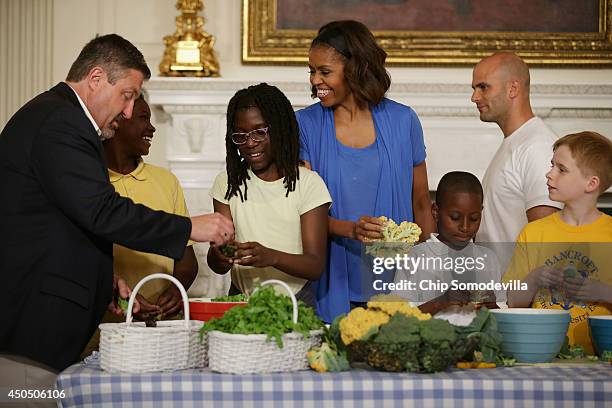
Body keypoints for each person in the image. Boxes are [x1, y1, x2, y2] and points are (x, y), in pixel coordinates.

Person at [0, 34, 233, 387]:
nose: (128, 111)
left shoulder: (57, 117)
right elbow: (102, 210)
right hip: (30, 331)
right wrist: (190, 227)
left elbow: (55, 218)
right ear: (95, 79)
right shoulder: (62, 122)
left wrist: (96, 277)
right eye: (127, 95)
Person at [297, 20, 435, 322]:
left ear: (355, 68)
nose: (314, 81)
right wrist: (350, 229)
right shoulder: (304, 125)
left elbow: (421, 201)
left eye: (324, 71)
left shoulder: (403, 120)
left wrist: (428, 269)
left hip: (399, 284)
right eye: (311, 71)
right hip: (331, 282)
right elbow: (301, 211)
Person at [207, 83, 332, 306]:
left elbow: (315, 265)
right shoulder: (227, 182)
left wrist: (271, 257)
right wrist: (220, 256)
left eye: (260, 132)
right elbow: (218, 265)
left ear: (280, 129)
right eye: (240, 135)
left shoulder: (308, 184)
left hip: (296, 300)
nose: (250, 142)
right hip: (240, 298)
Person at [504, 131, 612, 354]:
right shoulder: (533, 233)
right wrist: (534, 279)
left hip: (602, 360)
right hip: (542, 353)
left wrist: (603, 291)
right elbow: (512, 302)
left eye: (561, 169)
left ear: (591, 183)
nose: (549, 174)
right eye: (552, 165)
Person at [102, 95, 198, 317]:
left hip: (162, 326)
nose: (152, 127)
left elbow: (187, 261)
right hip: (106, 329)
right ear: (118, 120)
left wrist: (176, 289)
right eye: (144, 118)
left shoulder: (167, 181)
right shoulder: (92, 183)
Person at [471, 52, 561, 244]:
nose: (474, 97)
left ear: (513, 89)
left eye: (483, 87)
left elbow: (545, 237)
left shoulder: (538, 146)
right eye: (474, 88)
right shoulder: (517, 141)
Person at [392, 172, 503, 325]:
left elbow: (502, 312)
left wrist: (493, 306)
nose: (465, 227)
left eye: (474, 219)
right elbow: (398, 318)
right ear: (436, 212)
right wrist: (441, 302)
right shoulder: (415, 257)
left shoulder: (488, 259)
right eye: (455, 217)